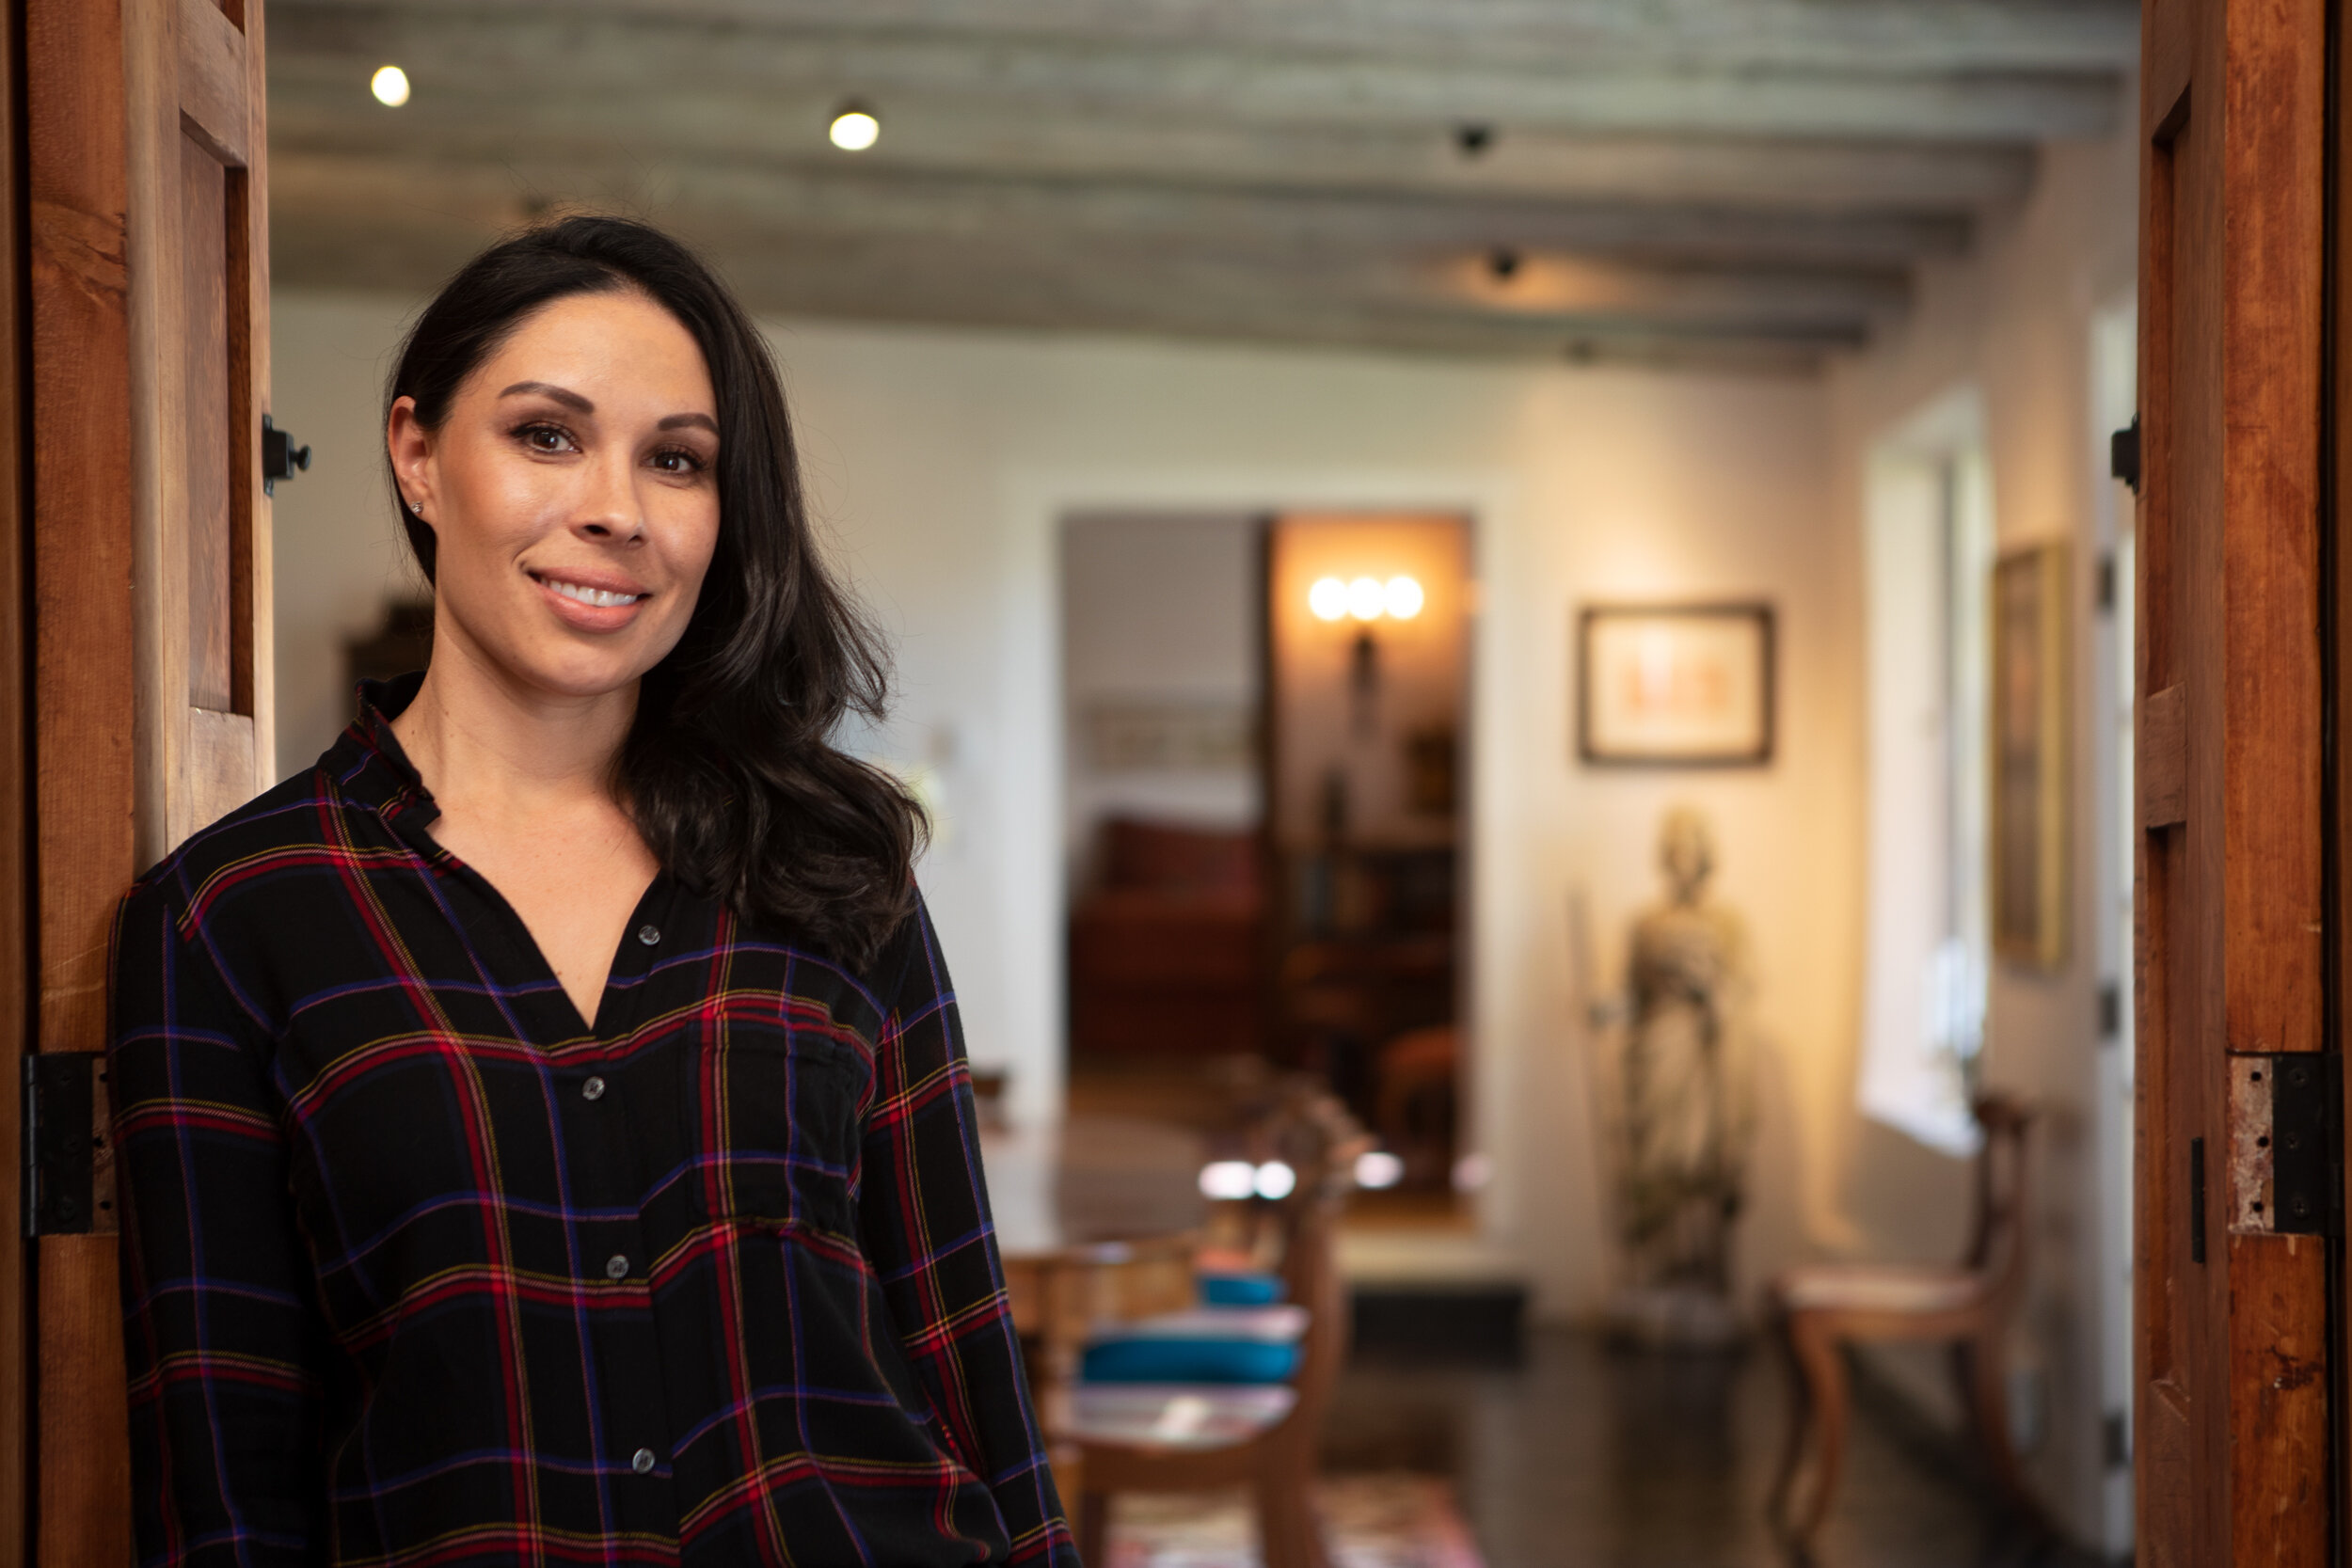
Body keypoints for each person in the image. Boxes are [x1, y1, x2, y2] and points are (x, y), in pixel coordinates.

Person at [109, 215, 1076, 1566]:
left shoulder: (832, 865)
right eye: (547, 435)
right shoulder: (230, 920)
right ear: (418, 455)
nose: (616, 508)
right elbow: (224, 1478)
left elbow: (963, 1343)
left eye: (676, 460)